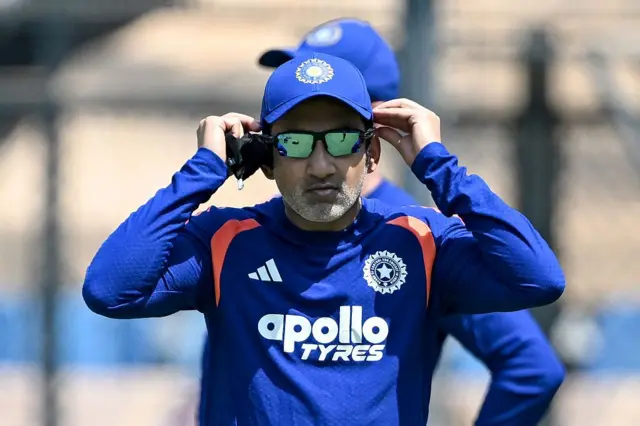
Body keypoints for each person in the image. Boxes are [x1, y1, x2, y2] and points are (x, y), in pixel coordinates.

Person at [83, 52, 565, 425]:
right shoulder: (226, 241)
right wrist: (202, 171)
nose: (321, 166)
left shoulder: (420, 241)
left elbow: (539, 279)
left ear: (372, 154)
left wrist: (439, 164)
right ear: (266, 161)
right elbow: (109, 290)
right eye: (294, 144)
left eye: (341, 140)